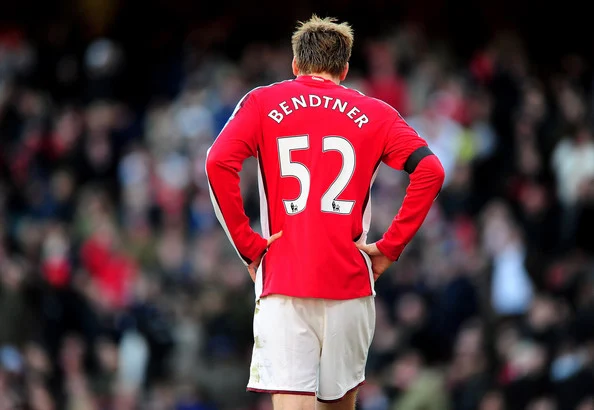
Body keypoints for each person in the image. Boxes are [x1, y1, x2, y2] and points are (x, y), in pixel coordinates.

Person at [205, 15, 445, 410]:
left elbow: (217, 162)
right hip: (349, 281)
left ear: (295, 65)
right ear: (345, 70)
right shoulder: (376, 113)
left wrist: (250, 246)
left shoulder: (263, 101)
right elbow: (431, 170)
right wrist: (390, 246)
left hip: (284, 279)